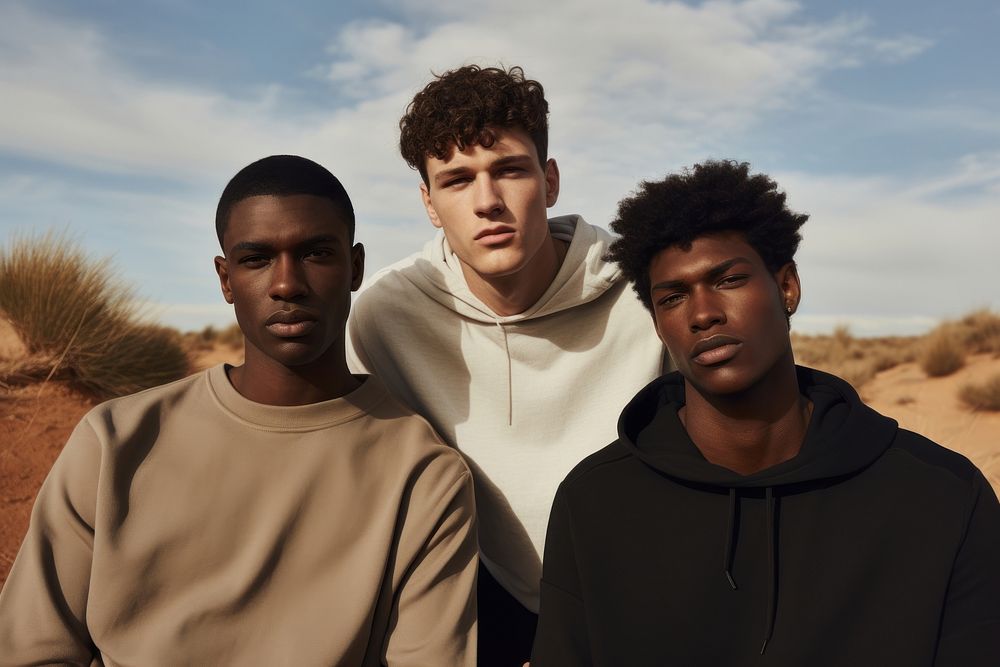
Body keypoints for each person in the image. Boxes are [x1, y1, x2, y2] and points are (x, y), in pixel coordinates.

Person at [0, 155, 478, 666]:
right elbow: (32, 650)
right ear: (225, 279)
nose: (287, 284)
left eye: (316, 254)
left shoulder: (424, 475)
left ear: (355, 267)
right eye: (256, 259)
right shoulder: (115, 441)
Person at [530, 159, 1000, 665]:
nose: (703, 312)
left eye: (728, 279)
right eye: (673, 297)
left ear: (787, 287)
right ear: (659, 325)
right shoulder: (595, 502)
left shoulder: (943, 494)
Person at [347, 65, 667, 665]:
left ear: (549, 181)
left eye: (510, 170)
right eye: (457, 180)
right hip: (480, 599)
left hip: (646, 594)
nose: (487, 201)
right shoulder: (385, 316)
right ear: (429, 204)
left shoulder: (644, 290)